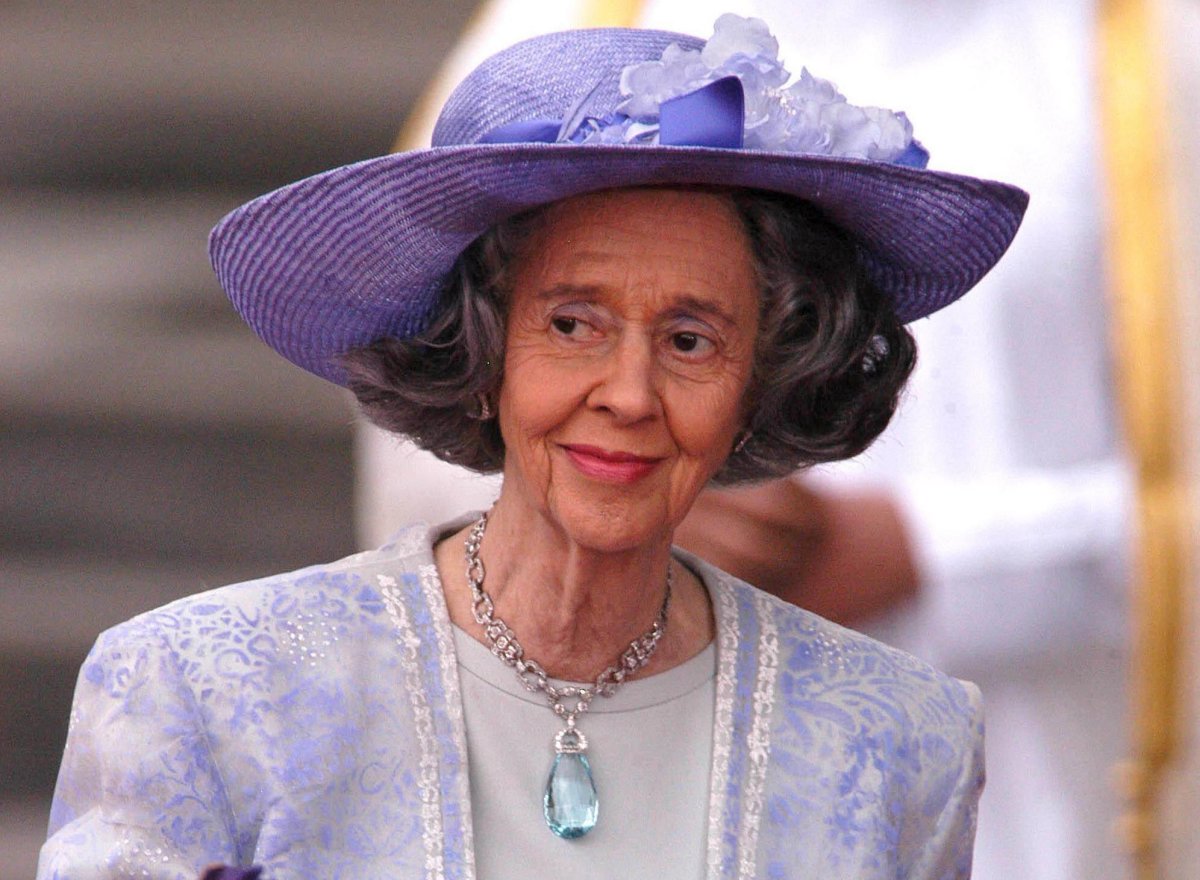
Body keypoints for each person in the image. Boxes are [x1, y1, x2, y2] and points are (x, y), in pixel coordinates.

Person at [39, 16, 1029, 879]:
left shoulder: (902, 740)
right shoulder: (198, 690)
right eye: (573, 324)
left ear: (761, 382)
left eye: (691, 340)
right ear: (480, 352)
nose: (631, 394)